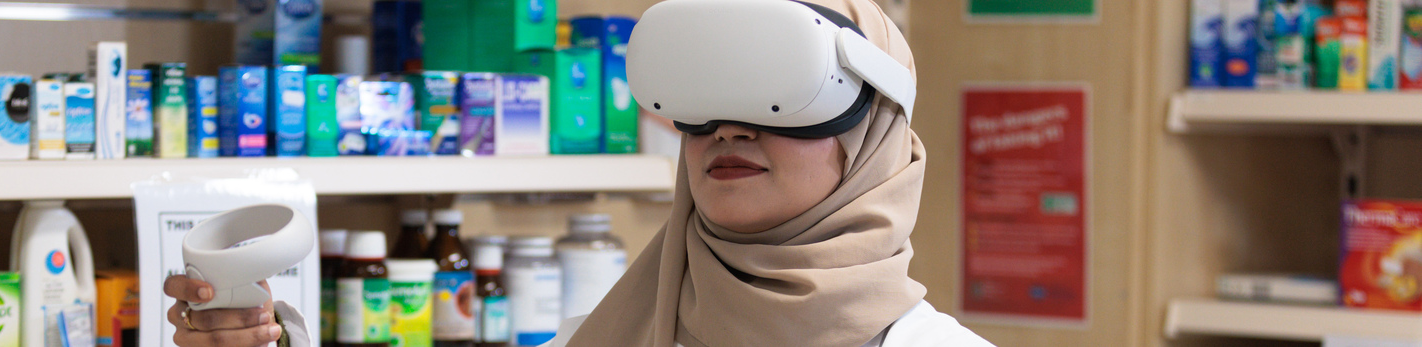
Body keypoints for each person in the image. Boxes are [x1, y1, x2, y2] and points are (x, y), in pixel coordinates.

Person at [162, 0, 993, 345]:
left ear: (877, 131)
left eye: (783, 92)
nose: (730, 128)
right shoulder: (610, 332)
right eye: (703, 94)